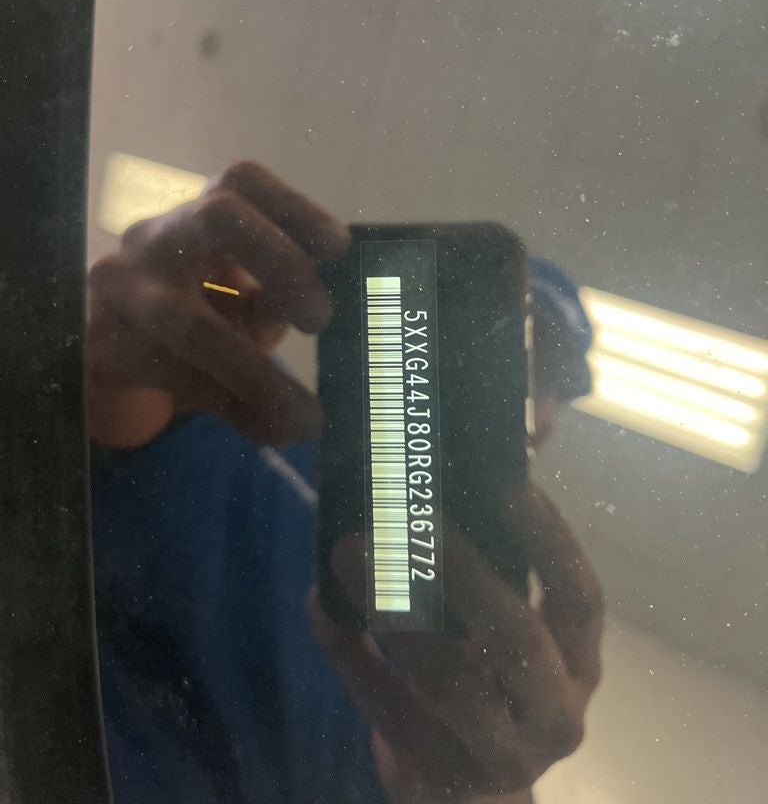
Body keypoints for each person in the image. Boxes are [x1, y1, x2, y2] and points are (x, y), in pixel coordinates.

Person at [87, 161, 603, 804]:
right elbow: (118, 410)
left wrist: (482, 792)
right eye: (479, 342)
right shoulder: (249, 414)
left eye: (534, 374)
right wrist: (107, 344)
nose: (498, 384)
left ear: (541, 428)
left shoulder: (501, 659)